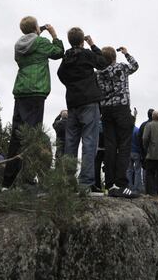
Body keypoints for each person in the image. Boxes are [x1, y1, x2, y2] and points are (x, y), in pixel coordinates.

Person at [2, 17, 64, 189]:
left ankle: (7, 182)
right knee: (32, 136)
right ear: (36, 27)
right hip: (36, 90)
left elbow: (31, 44)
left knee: (17, 135)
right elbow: (58, 52)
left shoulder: (18, 45)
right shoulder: (42, 42)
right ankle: (28, 179)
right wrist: (53, 34)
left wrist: (36, 32)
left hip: (21, 90)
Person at [57, 27, 109, 195]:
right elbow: (103, 62)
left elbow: (60, 74)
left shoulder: (66, 58)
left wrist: (72, 85)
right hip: (89, 102)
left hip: (73, 103)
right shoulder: (86, 54)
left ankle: (68, 183)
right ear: (81, 41)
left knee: (70, 143)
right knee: (89, 143)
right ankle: (85, 184)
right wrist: (92, 44)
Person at [96, 45, 140, 198]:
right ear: (114, 57)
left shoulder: (99, 73)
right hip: (121, 108)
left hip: (106, 110)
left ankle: (110, 184)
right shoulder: (121, 67)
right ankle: (121, 184)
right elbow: (135, 66)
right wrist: (127, 53)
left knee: (110, 146)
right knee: (124, 146)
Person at [127, 117, 144, 194]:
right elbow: (140, 142)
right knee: (137, 171)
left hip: (128, 152)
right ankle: (137, 188)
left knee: (129, 170)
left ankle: (129, 187)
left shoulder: (126, 130)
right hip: (136, 152)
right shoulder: (137, 130)